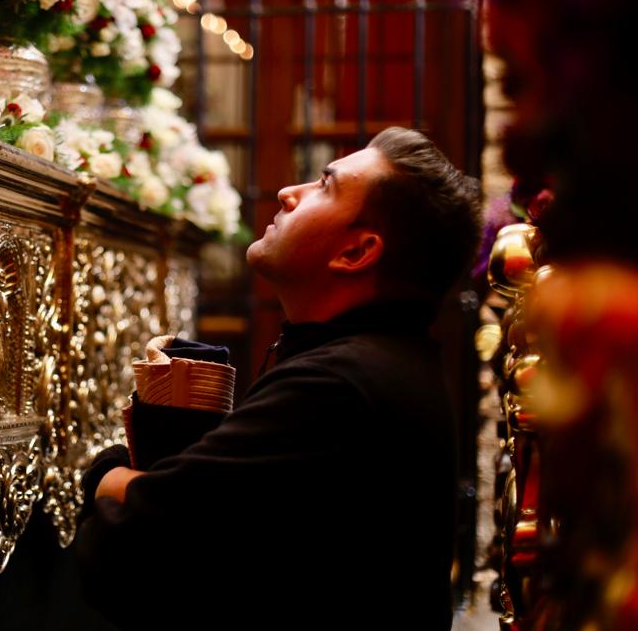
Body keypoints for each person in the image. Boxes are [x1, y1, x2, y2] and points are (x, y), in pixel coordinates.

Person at [75, 127, 481, 630]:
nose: (290, 193)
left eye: (325, 186)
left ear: (356, 253)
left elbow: (125, 553)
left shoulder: (339, 385)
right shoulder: (380, 359)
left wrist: (104, 475)